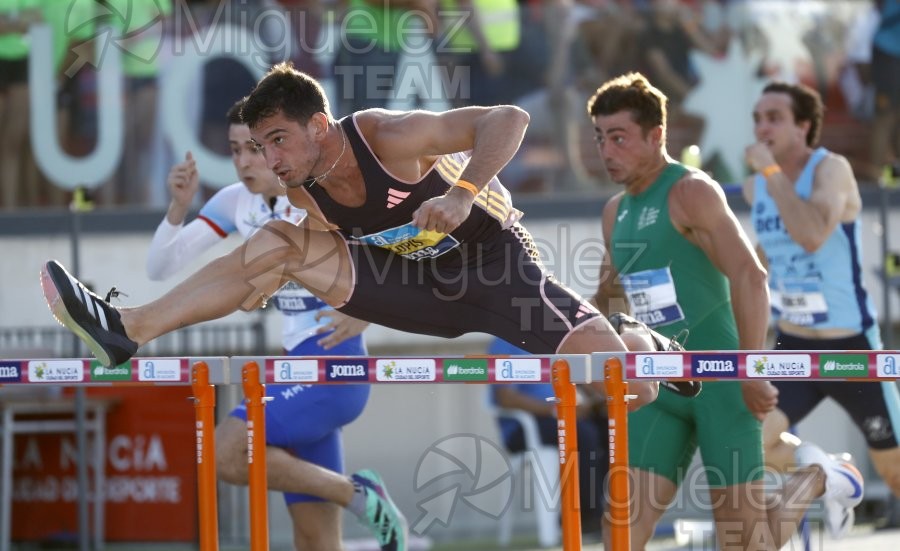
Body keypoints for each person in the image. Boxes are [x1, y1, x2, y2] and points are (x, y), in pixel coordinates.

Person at [590, 72, 864, 550]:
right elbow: (610, 293)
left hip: (723, 381)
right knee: (620, 536)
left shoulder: (691, 192)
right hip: (662, 387)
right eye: (600, 138)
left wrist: (751, 368)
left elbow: (751, 276)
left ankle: (820, 475)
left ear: (656, 137)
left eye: (619, 138)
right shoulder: (615, 211)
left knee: (746, 544)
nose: (607, 151)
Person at [146, 99, 378, 551]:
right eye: (235, 150)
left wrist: (369, 308)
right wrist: (178, 208)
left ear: (280, 147)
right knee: (315, 542)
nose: (244, 162)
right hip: (295, 368)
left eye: (254, 149)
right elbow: (160, 267)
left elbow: (394, 251)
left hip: (335, 367)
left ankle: (359, 495)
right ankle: (354, 495)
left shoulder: (321, 193)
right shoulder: (235, 201)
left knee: (225, 453)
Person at [743, 81, 900, 534]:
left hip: (851, 349)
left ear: (804, 126)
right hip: (794, 347)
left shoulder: (831, 170)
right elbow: (766, 255)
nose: (761, 126)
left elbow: (811, 233)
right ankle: (826, 469)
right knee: (752, 443)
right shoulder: (758, 187)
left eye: (774, 117)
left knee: (894, 471)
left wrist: (772, 172)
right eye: (757, 118)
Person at [488, 337, 608, 537]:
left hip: (559, 416)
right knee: (584, 434)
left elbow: (576, 377)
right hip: (524, 427)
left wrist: (599, 398)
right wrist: (557, 410)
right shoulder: (503, 343)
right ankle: (586, 517)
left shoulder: (549, 338)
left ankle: (597, 510)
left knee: (608, 426)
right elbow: (506, 398)